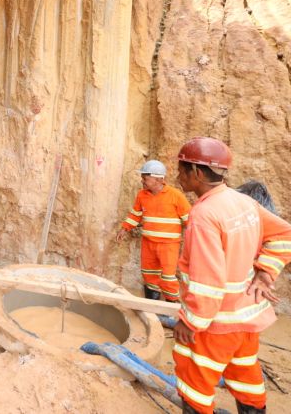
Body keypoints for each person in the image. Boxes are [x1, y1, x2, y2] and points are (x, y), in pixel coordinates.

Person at [172, 137, 291, 414]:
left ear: (197, 173)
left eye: (181, 170)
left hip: (216, 324)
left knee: (194, 386)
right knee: (246, 380)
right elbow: (285, 234)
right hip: (247, 320)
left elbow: (207, 280)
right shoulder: (242, 201)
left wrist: (190, 323)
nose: (178, 176)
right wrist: (266, 271)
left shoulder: (204, 214)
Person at [116, 159, 191, 302]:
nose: (142, 181)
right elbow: (135, 215)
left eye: (145, 178)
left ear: (158, 179)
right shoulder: (142, 195)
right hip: (148, 243)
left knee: (168, 277)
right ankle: (152, 306)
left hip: (169, 245)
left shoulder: (175, 196)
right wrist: (124, 228)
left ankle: (171, 308)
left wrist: (193, 239)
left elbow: (190, 220)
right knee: (149, 275)